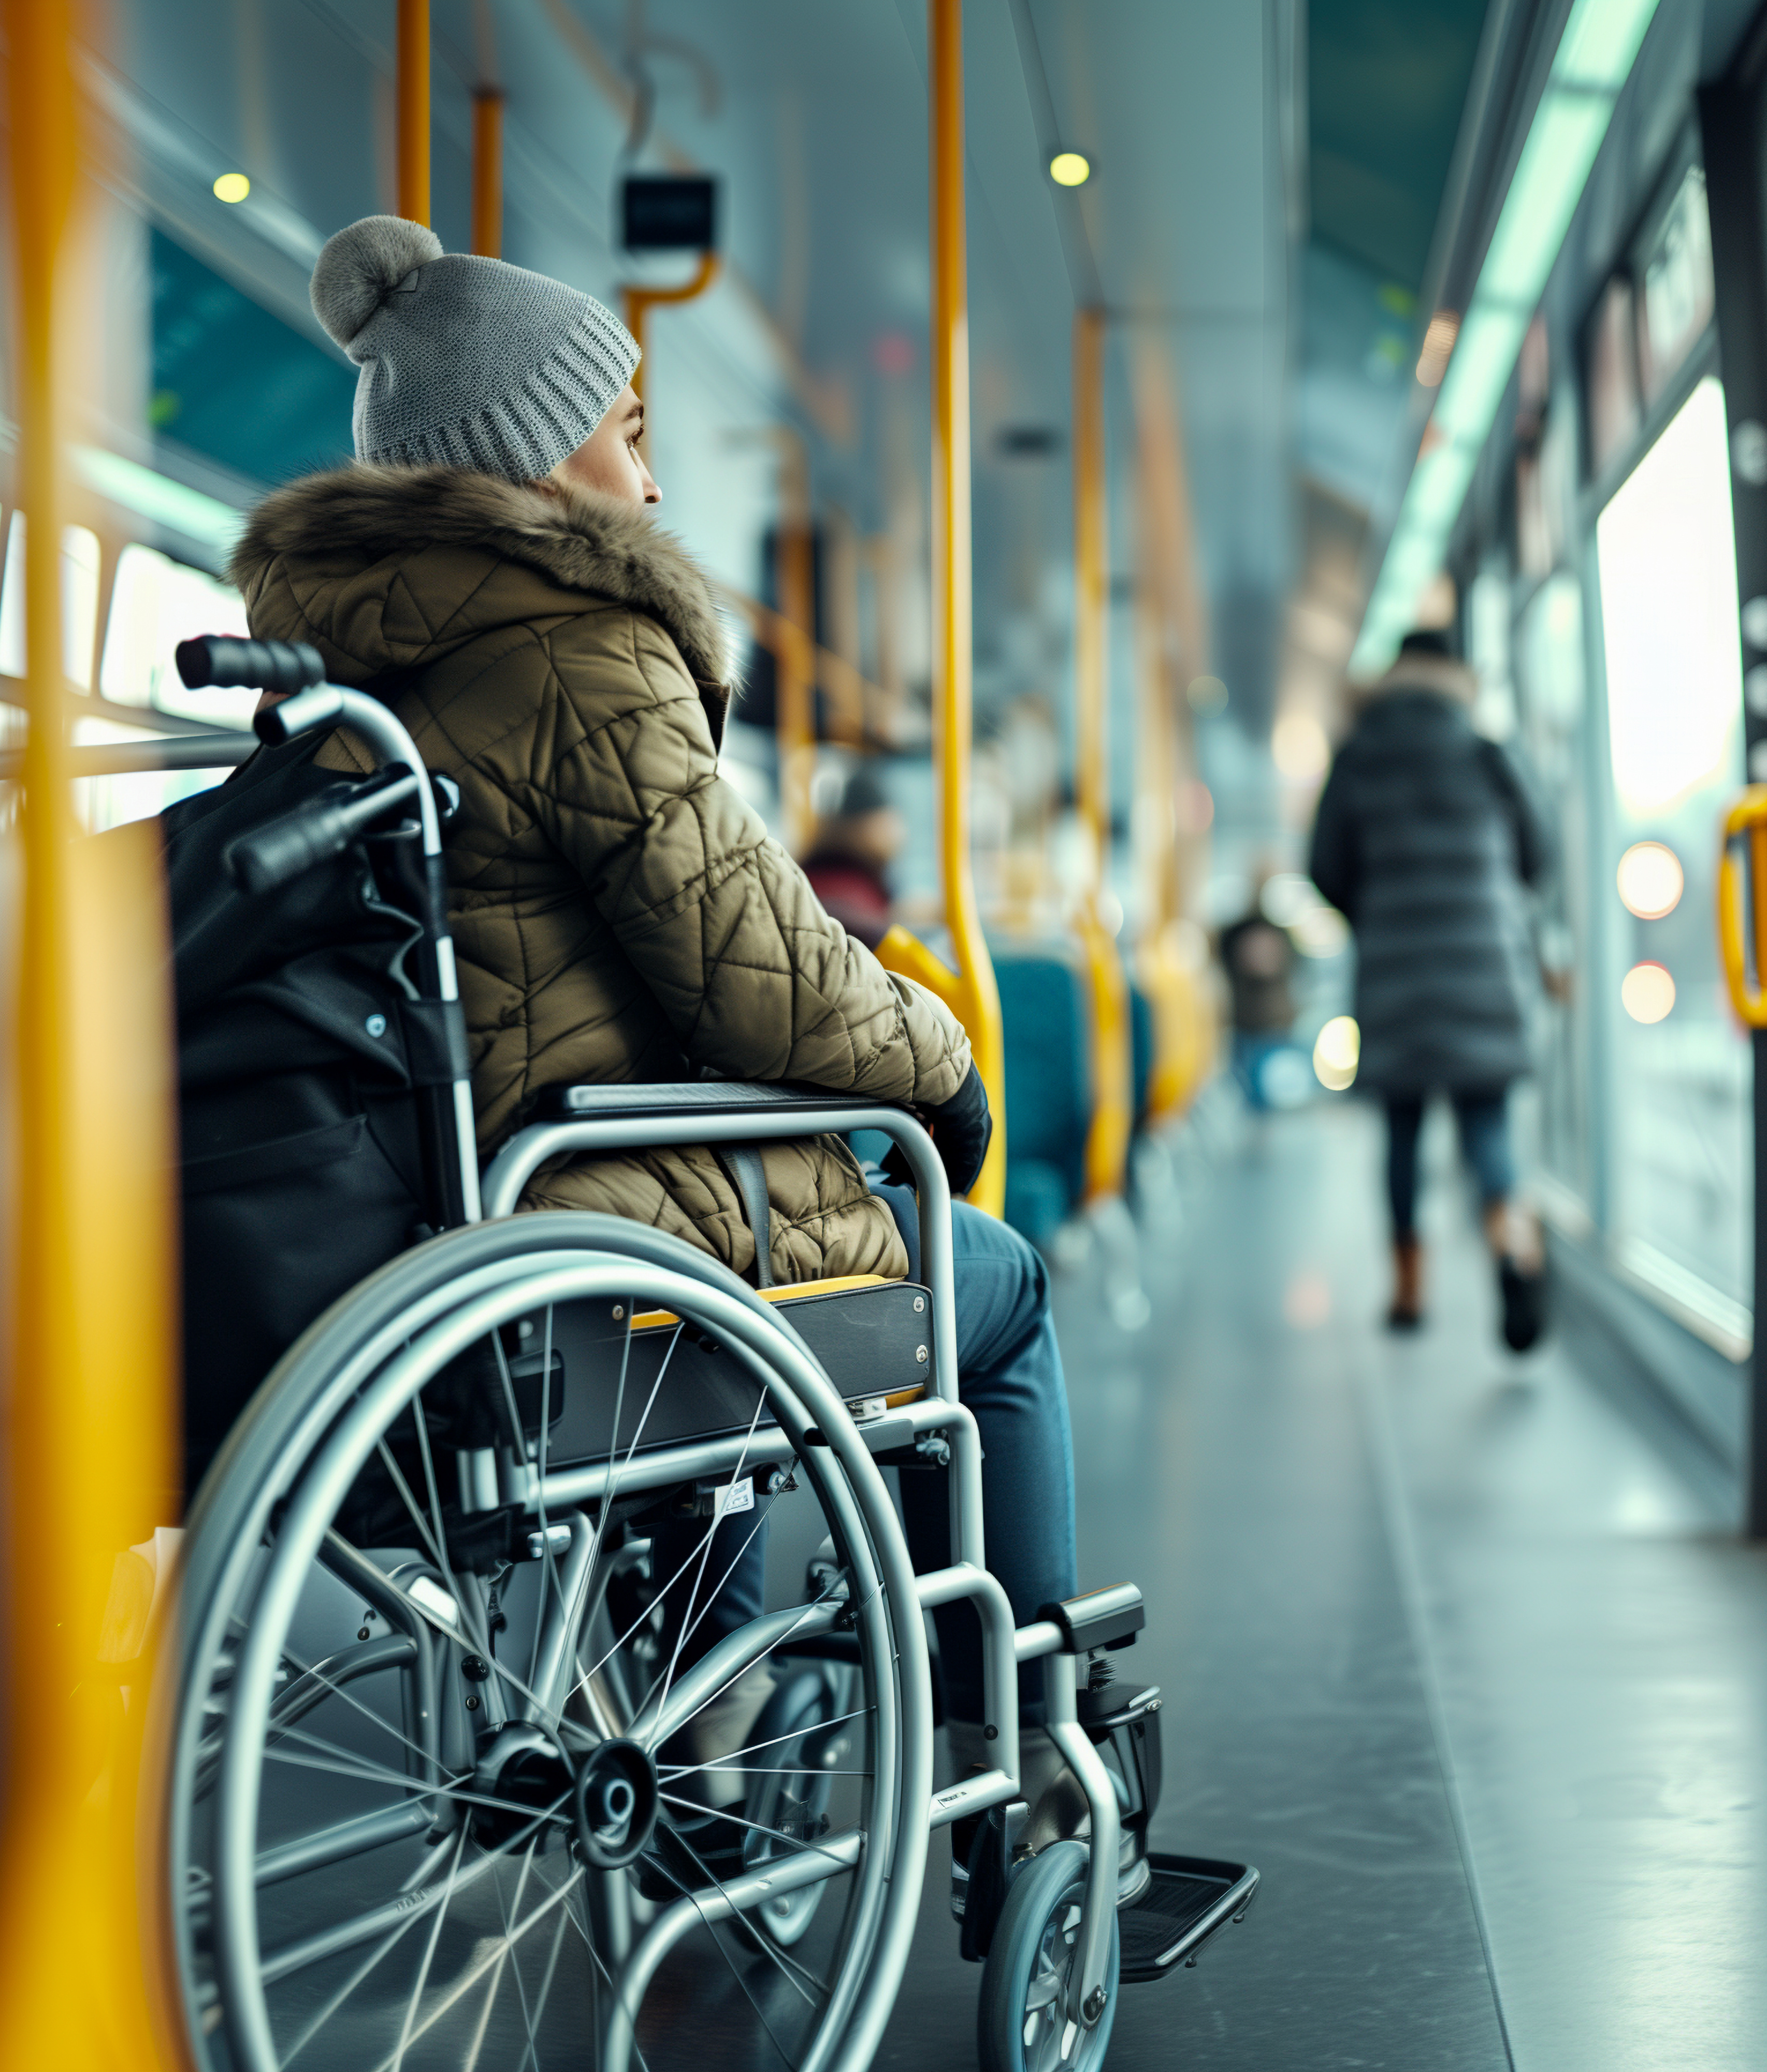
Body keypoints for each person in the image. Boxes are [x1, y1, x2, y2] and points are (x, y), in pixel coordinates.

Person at [221, 216, 1089, 1836]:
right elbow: (767, 979)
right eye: (630, 437)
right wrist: (944, 1060)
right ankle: (1021, 1744)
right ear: (538, 458)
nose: (656, 485)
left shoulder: (335, 689)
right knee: (997, 1289)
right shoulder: (580, 653)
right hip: (589, 1279)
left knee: (718, 1279)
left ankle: (704, 1699)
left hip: (424, 1264)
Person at [1308, 628, 1551, 1349]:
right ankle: (1512, 1243)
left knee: (1403, 1135)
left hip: (1395, 976)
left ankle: (1410, 1289)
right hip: (1484, 971)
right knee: (1487, 1129)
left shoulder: (1357, 758)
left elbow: (1324, 866)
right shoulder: (1487, 752)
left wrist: (1378, 914)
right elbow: (1540, 853)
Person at [1217, 861, 1301, 1111]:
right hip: (1246, 1019)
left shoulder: (1280, 932)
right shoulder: (1240, 932)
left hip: (1270, 1020)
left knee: (1269, 1092)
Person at [799, 761, 903, 947]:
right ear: (862, 825)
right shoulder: (839, 883)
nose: (899, 831)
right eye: (888, 820)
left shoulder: (836, 872)